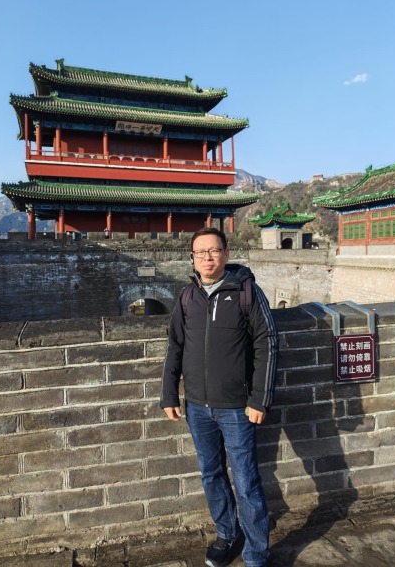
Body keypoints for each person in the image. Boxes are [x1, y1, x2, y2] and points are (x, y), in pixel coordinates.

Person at [160, 227, 278, 567]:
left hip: (237, 407)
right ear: (192, 258)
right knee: (211, 475)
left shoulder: (246, 291)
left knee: (246, 481)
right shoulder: (187, 296)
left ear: (226, 254)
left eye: (213, 251)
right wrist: (169, 393)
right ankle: (228, 534)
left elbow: (267, 342)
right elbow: (175, 346)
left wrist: (260, 398)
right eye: (200, 252)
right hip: (197, 406)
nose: (207, 258)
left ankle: (256, 555)